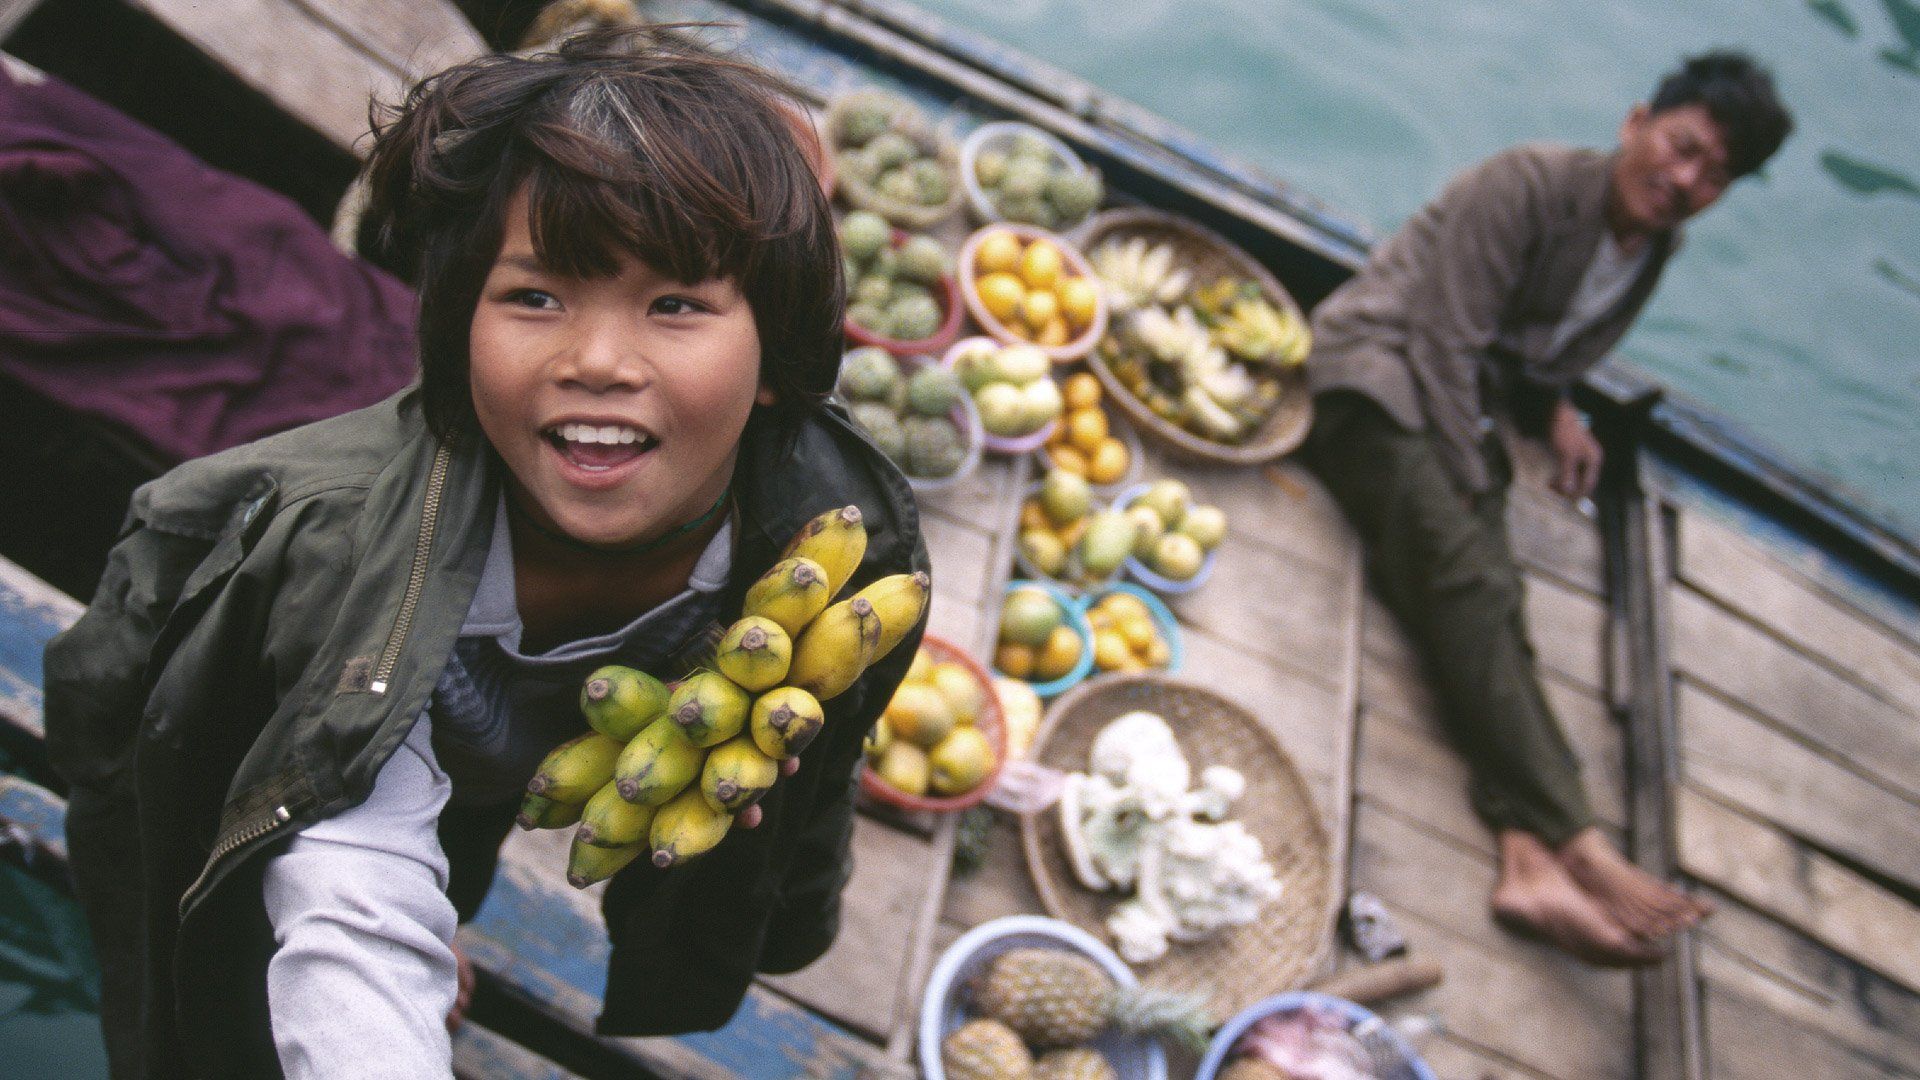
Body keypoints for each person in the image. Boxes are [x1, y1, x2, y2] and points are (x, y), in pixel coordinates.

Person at [43, 27, 928, 1078]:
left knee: (463, 839)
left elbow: (821, 786)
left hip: (510, 757)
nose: (597, 360)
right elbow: (350, 864)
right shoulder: (332, 555)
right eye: (537, 296)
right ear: (459, 329)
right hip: (324, 754)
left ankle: (443, 925)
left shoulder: (836, 562)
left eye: (677, 304)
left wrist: (782, 912)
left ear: (776, 357)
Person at [1299, 51, 1791, 965]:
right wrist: (1479, 485)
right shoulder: (1526, 182)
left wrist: (1555, 407)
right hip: (1375, 383)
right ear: (1637, 121)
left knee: (1486, 599)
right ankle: (1578, 840)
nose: (1684, 181)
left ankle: (1525, 859)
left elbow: (1543, 344)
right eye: (1680, 148)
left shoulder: (1653, 248)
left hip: (1462, 404)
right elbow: (1443, 339)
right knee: (1474, 579)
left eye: (1713, 176)